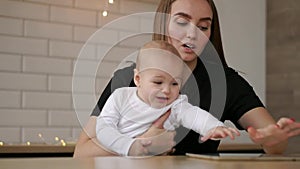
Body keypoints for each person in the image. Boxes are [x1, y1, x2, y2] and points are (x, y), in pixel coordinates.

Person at [73, 0, 300, 157]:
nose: (192, 34)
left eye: (203, 26)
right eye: (182, 22)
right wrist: (143, 144)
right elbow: (81, 152)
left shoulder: (226, 82)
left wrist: (274, 139)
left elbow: (274, 143)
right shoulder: (125, 80)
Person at [95, 40, 240, 156]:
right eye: (158, 82)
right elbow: (103, 128)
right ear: (138, 79)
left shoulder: (176, 104)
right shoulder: (121, 97)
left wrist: (213, 127)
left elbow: (195, 115)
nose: (167, 90)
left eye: (175, 83)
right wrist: (130, 146)